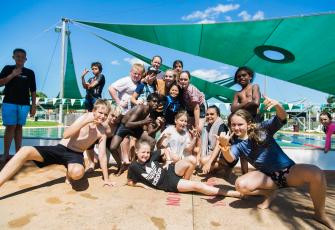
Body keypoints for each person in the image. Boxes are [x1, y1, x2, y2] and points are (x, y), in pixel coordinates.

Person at [217, 97, 334, 229]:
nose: (236, 128)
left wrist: (278, 105)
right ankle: (270, 192)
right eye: (233, 125)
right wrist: (225, 147)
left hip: (288, 171)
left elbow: (282, 118)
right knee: (240, 185)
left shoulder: (262, 129)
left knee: (316, 173)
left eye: (240, 124)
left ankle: (320, 214)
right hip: (267, 177)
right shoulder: (237, 144)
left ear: (249, 124)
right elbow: (231, 158)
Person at [0, 99, 116, 189]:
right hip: (61, 149)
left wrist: (106, 179)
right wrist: (86, 121)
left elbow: (102, 156)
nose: (103, 116)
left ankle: (69, 172)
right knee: (25, 150)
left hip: (75, 155)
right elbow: (66, 134)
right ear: (94, 111)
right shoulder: (85, 117)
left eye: (106, 114)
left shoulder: (102, 132)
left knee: (77, 173)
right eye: (100, 112)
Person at [127, 139, 241, 198]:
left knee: (191, 159)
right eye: (143, 152)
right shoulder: (133, 167)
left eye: (147, 152)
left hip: (170, 170)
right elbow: (130, 182)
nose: (146, 155)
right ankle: (232, 193)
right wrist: (143, 185)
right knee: (197, 186)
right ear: (136, 151)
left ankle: (186, 183)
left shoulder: (151, 156)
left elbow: (165, 149)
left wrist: (168, 160)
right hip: (168, 183)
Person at [109, 93, 160, 176]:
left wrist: (159, 126)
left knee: (152, 141)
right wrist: (143, 122)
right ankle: (120, 165)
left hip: (135, 128)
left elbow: (150, 132)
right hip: (124, 126)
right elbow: (127, 124)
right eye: (154, 101)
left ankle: (144, 164)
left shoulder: (152, 114)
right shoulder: (140, 108)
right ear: (148, 101)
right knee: (112, 147)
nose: (156, 104)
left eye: (158, 102)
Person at [0, 48, 36, 162]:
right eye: (18, 56)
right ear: (13, 57)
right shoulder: (8, 68)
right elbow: (0, 83)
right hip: (9, 102)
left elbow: (33, 90)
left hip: (24, 104)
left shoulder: (30, 72)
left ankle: (18, 154)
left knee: (19, 127)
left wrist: (33, 105)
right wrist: (12, 74)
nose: (20, 58)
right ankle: (5, 154)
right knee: (10, 127)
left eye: (22, 57)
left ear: (25, 59)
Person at [108, 63, 145, 170]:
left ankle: (126, 159)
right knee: (123, 136)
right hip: (123, 112)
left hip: (130, 113)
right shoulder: (126, 80)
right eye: (134, 73)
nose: (136, 76)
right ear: (130, 72)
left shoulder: (138, 83)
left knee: (128, 136)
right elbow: (111, 88)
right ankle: (124, 159)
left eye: (139, 74)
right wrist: (118, 101)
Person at [231, 66, 261, 174]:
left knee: (258, 147)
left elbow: (256, 103)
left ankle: (261, 174)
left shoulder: (254, 87)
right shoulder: (237, 94)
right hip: (242, 124)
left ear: (250, 76)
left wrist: (240, 105)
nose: (241, 78)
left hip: (254, 121)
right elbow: (232, 109)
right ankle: (245, 174)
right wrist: (247, 102)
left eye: (244, 75)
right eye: (238, 76)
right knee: (243, 149)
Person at [200, 105, 238, 175]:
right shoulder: (208, 127)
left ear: (218, 115)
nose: (209, 116)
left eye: (212, 114)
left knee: (203, 161)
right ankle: (220, 169)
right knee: (203, 162)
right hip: (220, 156)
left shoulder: (221, 126)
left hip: (229, 156)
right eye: (207, 114)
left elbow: (218, 146)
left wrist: (209, 162)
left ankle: (226, 168)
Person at [85, 105, 123, 171]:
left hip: (108, 139)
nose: (114, 118)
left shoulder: (118, 124)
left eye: (117, 117)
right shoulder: (102, 122)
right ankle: (91, 164)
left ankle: (120, 164)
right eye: (112, 115)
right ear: (108, 114)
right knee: (89, 145)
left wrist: (121, 159)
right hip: (97, 138)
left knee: (114, 147)